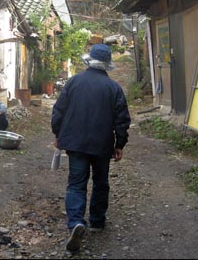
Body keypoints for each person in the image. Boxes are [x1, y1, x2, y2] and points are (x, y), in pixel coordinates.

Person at [51, 43, 131, 253]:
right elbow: (122, 119)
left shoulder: (74, 81)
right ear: (107, 65)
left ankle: (76, 222)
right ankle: (96, 221)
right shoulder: (113, 88)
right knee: (100, 182)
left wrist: (58, 135)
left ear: (89, 60)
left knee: (76, 184)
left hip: (75, 143)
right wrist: (119, 143)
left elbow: (58, 111)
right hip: (102, 144)